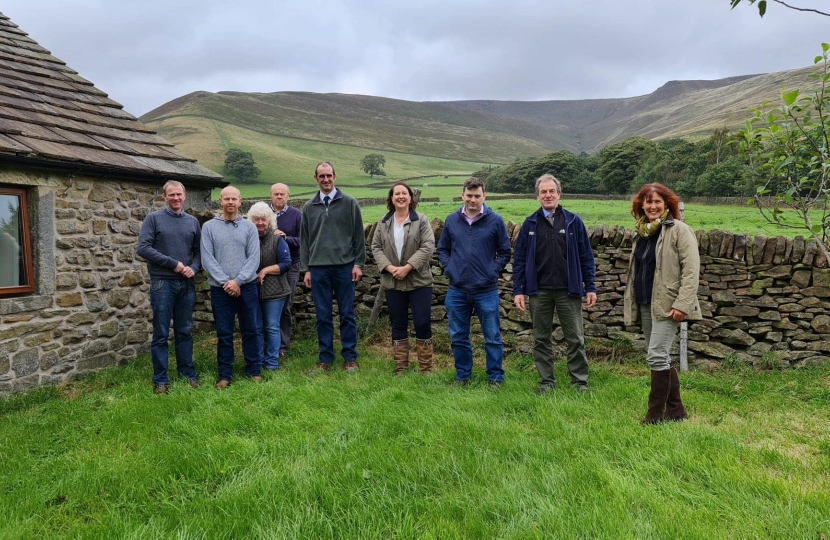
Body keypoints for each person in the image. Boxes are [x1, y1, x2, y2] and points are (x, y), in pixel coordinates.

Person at [623, 182, 701, 424]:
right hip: (646, 303)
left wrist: (683, 304)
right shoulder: (642, 232)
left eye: (657, 201)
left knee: (656, 355)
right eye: (648, 201)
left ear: (667, 204)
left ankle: (655, 414)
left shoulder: (679, 229)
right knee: (660, 356)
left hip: (669, 304)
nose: (653, 206)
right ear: (641, 205)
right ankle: (676, 410)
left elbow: (691, 270)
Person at [513, 174, 597, 394]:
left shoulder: (572, 221)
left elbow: (586, 256)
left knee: (575, 338)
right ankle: (546, 383)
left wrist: (590, 286)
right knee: (541, 339)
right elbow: (520, 259)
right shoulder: (530, 223)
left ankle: (579, 382)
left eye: (552, 191)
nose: (548, 195)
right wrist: (518, 290)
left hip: (568, 291)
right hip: (538, 291)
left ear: (559, 194)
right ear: (537, 196)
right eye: (543, 192)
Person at [437, 177, 511, 387]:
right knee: (459, 337)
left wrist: (492, 272)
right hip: (457, 289)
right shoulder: (452, 220)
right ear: (462, 195)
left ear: (484, 197)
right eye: (469, 196)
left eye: (477, 196)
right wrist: (450, 268)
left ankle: (495, 377)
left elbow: (505, 252)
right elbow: (442, 249)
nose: (473, 200)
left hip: (486, 289)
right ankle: (463, 376)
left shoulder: (495, 220)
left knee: (492, 337)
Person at [137, 180, 201, 394]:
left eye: (179, 194)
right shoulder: (154, 219)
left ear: (185, 195)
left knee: (185, 330)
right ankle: (161, 380)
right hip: (162, 282)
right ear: (164, 197)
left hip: (186, 283)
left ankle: (187, 373)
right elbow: (143, 248)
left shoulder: (192, 222)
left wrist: (194, 267)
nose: (176, 198)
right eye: (171, 194)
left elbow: (199, 251)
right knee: (161, 333)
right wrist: (173, 264)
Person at [301, 162, 365, 373]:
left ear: (335, 177)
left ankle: (350, 358)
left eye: (329, 175)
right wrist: (307, 269)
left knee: (347, 313)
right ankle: (325, 359)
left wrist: (358, 263)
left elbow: (358, 236)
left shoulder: (349, 203)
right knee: (322, 315)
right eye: (322, 176)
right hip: (318, 268)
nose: (326, 179)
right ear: (316, 178)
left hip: (344, 267)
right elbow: (305, 240)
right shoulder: (309, 207)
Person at [201, 186, 264, 388]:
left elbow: (254, 258)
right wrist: (226, 282)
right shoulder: (209, 227)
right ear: (220, 201)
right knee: (224, 333)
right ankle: (224, 375)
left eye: (234, 199)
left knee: (251, 330)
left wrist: (238, 281)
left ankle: (254, 370)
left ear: (240, 201)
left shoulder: (249, 227)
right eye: (226, 198)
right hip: (220, 289)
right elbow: (207, 259)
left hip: (246, 287)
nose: (230, 202)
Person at [371, 182, 436, 375]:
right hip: (393, 282)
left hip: (419, 282)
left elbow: (428, 246)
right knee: (397, 323)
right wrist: (390, 268)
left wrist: (408, 267)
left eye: (404, 193)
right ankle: (401, 367)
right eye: (396, 193)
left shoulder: (421, 220)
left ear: (410, 197)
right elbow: (376, 247)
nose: (400, 196)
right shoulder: (383, 223)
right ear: (391, 198)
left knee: (422, 322)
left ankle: (426, 369)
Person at [248, 201, 292, 371]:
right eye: (256, 219)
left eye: (263, 219)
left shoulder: (277, 239)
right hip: (253, 290)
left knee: (271, 327)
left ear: (269, 221)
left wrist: (265, 270)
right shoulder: (248, 238)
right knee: (256, 327)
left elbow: (286, 263)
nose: (260, 223)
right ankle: (258, 360)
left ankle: (272, 363)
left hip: (276, 291)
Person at [269, 183, 302, 358]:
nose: (279, 197)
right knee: (265, 303)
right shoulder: (263, 213)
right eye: (276, 194)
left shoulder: (296, 215)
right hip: (265, 266)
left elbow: (303, 240)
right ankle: (267, 342)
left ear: (288, 196)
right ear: (271, 196)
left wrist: (285, 238)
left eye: (282, 194)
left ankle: (282, 345)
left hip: (291, 265)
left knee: (286, 305)